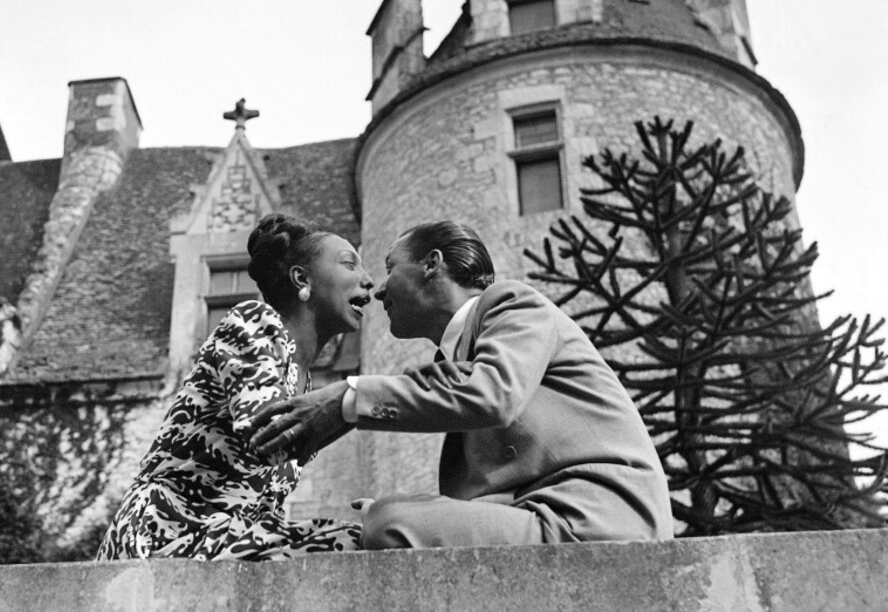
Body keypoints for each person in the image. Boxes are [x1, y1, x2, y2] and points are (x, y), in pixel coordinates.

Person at [250, 220, 673, 548]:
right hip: (553, 513)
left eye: (390, 269)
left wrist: (349, 397)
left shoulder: (512, 304)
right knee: (387, 517)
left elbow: (492, 394)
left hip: (599, 517)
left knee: (389, 523)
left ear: (432, 265)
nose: (378, 290)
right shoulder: (455, 360)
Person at [96, 213, 374, 560]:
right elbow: (267, 437)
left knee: (369, 537)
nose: (369, 281)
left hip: (227, 541)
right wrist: (372, 396)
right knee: (359, 541)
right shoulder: (255, 323)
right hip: (167, 534)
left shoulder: (303, 381)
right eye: (350, 264)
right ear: (302, 279)